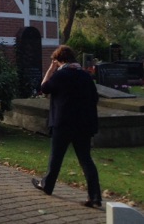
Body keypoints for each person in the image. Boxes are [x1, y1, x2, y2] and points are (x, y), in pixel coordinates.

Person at [31, 45, 102, 208]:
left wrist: (51, 69)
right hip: (83, 124)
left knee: (56, 157)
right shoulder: (85, 75)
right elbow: (94, 98)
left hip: (63, 123)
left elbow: (44, 88)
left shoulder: (61, 75)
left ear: (59, 60)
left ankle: (47, 185)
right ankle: (95, 196)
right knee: (86, 159)